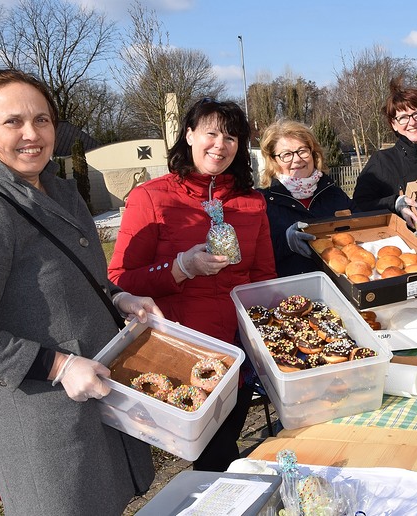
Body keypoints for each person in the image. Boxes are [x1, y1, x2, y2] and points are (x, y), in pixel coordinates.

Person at [0, 69, 161, 515]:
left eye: (41, 120)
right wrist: (59, 365)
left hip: (97, 409)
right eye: (12, 122)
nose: (31, 134)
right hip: (47, 429)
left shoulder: (61, 191)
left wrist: (117, 298)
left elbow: (71, 277)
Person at [108, 98, 276, 471]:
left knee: (224, 443)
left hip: (237, 354)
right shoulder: (151, 197)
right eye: (211, 133)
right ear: (189, 136)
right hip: (181, 351)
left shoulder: (251, 202)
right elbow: (120, 279)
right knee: (212, 454)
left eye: (231, 137)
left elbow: (263, 277)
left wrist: (263, 338)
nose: (220, 145)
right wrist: (181, 268)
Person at [352, 77, 417, 227]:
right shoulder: (381, 161)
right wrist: (394, 202)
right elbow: (359, 206)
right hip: (402, 238)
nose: (412, 122)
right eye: (403, 118)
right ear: (394, 124)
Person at [257, 120, 352, 277]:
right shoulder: (263, 202)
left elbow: (363, 228)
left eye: (302, 151)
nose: (297, 159)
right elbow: (254, 255)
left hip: (339, 284)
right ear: (273, 161)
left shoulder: (333, 193)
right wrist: (286, 243)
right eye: (286, 154)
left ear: (314, 154)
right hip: (291, 287)